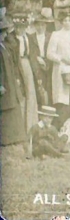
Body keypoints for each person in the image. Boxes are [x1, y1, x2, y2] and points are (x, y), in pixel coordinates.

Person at [0, 13, 27, 146]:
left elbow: (14, 45)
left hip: (9, 82)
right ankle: (6, 139)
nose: (5, 35)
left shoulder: (5, 46)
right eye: (3, 32)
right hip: (3, 84)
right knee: (5, 109)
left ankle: (13, 138)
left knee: (13, 107)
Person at [12, 14, 39, 132]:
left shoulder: (29, 38)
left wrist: (37, 74)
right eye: (17, 27)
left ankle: (31, 125)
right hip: (17, 66)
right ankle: (20, 126)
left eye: (22, 27)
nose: (20, 29)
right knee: (21, 95)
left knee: (31, 94)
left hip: (28, 65)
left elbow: (33, 56)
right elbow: (12, 59)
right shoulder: (12, 39)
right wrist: (16, 75)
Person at [29, 9, 54, 106]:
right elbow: (32, 56)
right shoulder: (31, 37)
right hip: (37, 67)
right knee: (39, 91)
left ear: (46, 25)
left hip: (49, 66)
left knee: (50, 90)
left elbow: (53, 52)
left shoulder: (51, 36)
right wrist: (38, 74)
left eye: (42, 25)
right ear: (35, 26)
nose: (40, 27)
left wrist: (47, 64)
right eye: (38, 25)